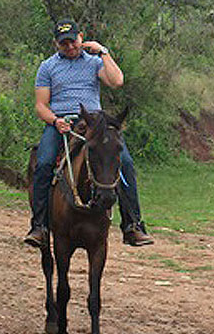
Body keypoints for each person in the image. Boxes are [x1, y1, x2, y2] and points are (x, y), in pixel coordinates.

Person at [23, 18, 154, 247]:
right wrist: (55, 121)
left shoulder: (94, 62)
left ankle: (132, 225)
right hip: (61, 123)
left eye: (73, 42)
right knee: (43, 163)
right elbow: (41, 105)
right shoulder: (48, 67)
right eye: (64, 44)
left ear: (81, 37)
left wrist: (103, 51)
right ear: (56, 44)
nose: (70, 47)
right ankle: (40, 226)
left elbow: (117, 80)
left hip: (94, 124)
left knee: (125, 163)